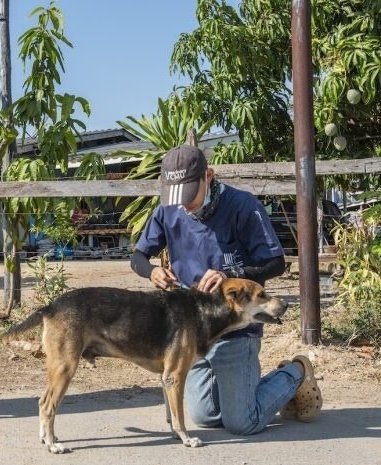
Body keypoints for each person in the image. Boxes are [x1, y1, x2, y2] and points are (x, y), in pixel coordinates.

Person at [131, 144, 323, 435]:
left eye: (188, 195)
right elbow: (137, 258)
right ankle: (245, 390)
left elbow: (275, 263)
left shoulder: (243, 206)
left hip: (236, 330)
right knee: (205, 417)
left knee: (242, 423)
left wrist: (230, 275)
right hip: (192, 332)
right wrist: (152, 271)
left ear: (208, 176)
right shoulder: (168, 209)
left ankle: (296, 372)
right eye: (176, 196)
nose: (183, 204)